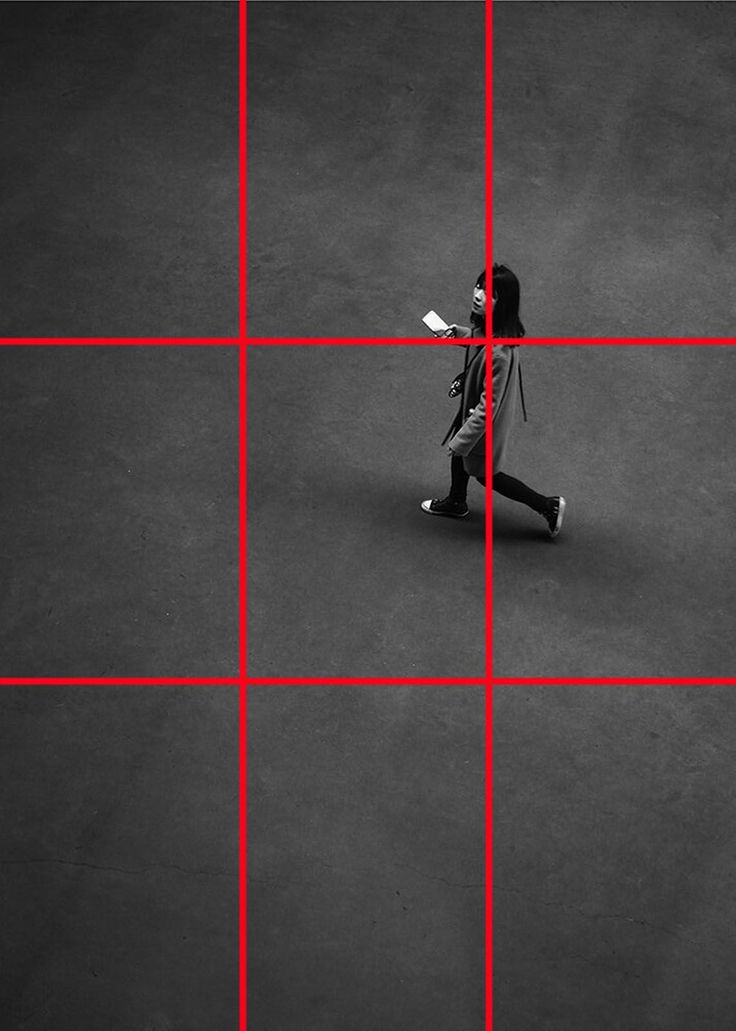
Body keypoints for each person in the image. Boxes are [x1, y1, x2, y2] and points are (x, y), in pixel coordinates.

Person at [421, 264, 565, 538]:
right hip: (474, 416)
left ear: (503, 304)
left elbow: (488, 408)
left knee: (488, 475)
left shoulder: (499, 353)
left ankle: (548, 506)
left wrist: (462, 440)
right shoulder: (497, 332)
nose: (479, 295)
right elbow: (479, 340)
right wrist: (458, 333)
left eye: (490, 294)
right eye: (479, 287)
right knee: (463, 451)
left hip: (483, 425)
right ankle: (456, 499)